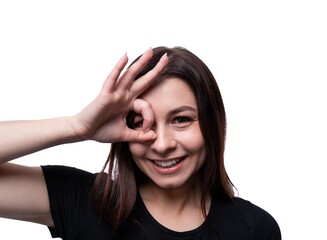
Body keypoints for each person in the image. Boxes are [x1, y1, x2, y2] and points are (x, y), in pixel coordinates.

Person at [0, 46, 281, 239]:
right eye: (141, 122)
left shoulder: (255, 228)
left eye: (181, 119)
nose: (161, 144)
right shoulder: (87, 203)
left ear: (212, 123)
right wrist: (78, 126)